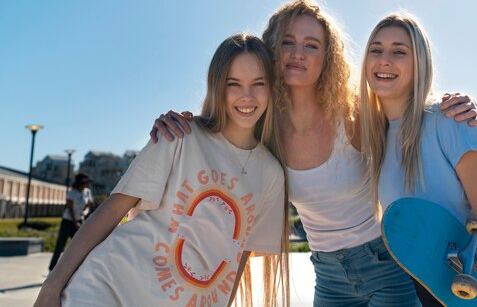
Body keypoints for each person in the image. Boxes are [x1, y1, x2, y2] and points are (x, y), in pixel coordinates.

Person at [151, 0, 477, 306]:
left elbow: (408, 107)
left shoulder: (355, 115)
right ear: (271, 51)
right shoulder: (263, 131)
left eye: (312, 45)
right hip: (327, 275)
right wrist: (177, 125)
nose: (298, 53)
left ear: (327, 58)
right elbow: (215, 136)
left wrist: (453, 104)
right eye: (287, 42)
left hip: (387, 265)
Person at [35, 34, 289, 307]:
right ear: (217, 86)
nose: (247, 96)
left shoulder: (271, 175)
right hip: (106, 288)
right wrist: (51, 287)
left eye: (258, 84)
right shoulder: (180, 134)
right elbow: (111, 211)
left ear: (271, 88)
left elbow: (239, 257)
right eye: (233, 84)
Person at [359, 13, 477, 306]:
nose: (384, 59)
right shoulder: (376, 136)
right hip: (413, 295)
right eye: (376, 50)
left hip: (467, 292)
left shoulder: (449, 120)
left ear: (419, 63)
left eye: (399, 51)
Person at [48, 173, 94, 272]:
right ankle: (52, 268)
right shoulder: (72, 192)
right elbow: (69, 209)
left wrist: (83, 214)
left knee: (78, 246)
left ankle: (74, 269)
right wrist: (75, 222)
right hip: (68, 222)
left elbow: (89, 205)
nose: (88, 184)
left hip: (78, 221)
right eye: (86, 182)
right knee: (60, 245)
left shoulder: (87, 192)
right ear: (81, 183)